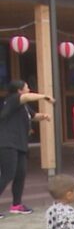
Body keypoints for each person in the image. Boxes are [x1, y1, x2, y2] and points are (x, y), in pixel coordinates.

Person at [0, 81, 53, 216]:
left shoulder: (23, 106)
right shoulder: (12, 99)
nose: (29, 89)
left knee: (20, 174)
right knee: (8, 174)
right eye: (26, 87)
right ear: (19, 90)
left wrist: (44, 117)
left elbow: (34, 116)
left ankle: (16, 205)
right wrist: (44, 96)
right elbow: (27, 97)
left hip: (20, 144)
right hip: (8, 143)